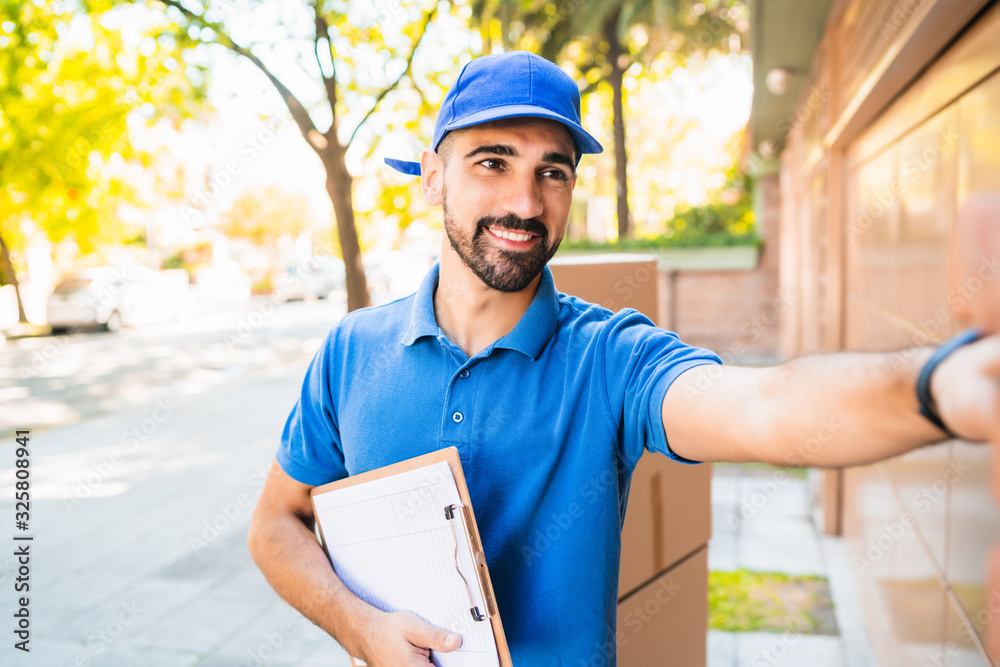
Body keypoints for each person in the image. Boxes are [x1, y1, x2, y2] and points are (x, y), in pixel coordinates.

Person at [247, 50, 1000, 666]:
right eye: (492, 161)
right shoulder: (352, 351)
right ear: (433, 175)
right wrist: (359, 627)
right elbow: (275, 524)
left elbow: (766, 408)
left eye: (554, 170)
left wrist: (939, 387)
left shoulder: (610, 357)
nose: (526, 202)